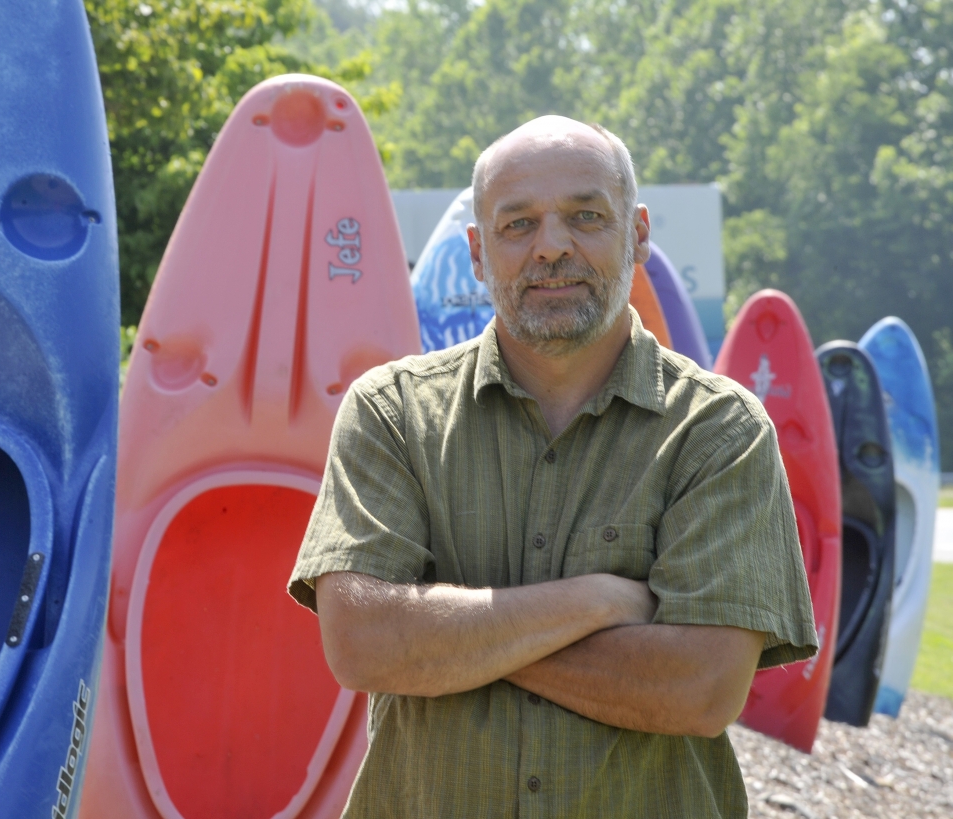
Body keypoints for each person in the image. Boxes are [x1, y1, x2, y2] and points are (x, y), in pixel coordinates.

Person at [288, 116, 817, 818]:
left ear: (638, 233)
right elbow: (362, 642)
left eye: (585, 216)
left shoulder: (719, 431)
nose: (552, 247)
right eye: (518, 225)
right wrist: (597, 601)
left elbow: (703, 689)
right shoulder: (391, 414)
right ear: (477, 253)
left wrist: (443, 643)